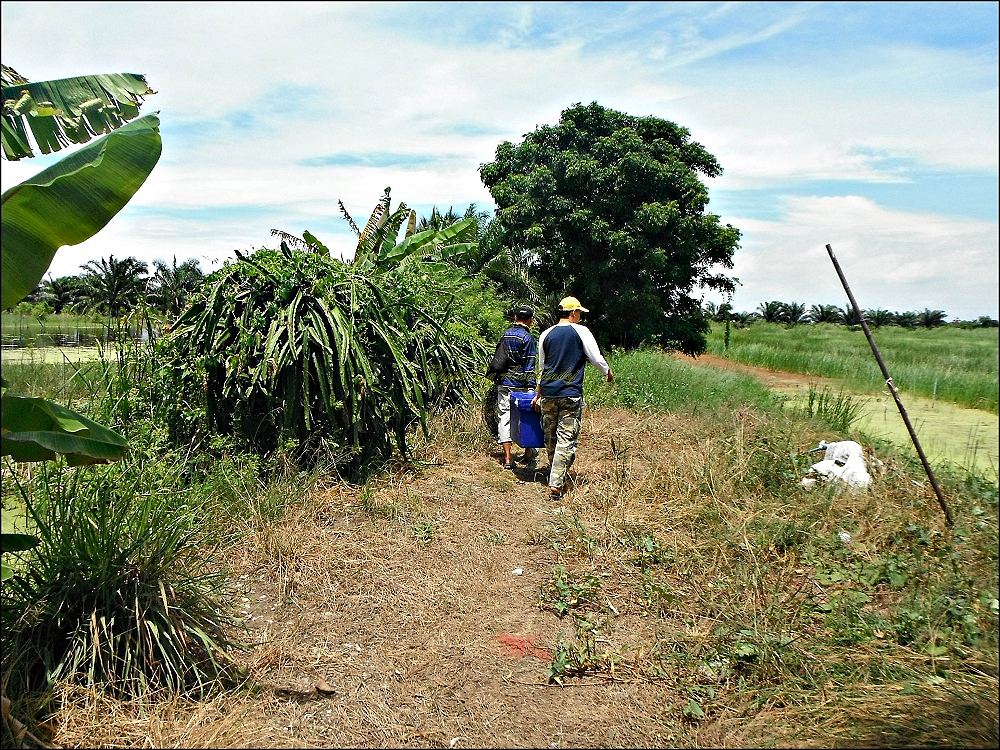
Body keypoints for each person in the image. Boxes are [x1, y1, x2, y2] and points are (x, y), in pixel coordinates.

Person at [531, 296, 613, 500]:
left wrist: (539, 393)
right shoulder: (581, 331)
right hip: (570, 393)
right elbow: (595, 357)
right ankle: (556, 484)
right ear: (573, 313)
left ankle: (554, 472)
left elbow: (542, 366)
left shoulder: (545, 334)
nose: (581, 317)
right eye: (580, 314)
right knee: (566, 438)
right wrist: (607, 372)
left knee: (550, 436)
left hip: (549, 392)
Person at [488, 305, 538, 470]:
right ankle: (528, 453)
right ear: (530, 320)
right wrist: (532, 388)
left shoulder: (506, 334)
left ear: (515, 318)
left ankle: (508, 459)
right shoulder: (528, 338)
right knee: (527, 418)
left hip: (503, 383)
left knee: (504, 417)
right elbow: (529, 366)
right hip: (521, 385)